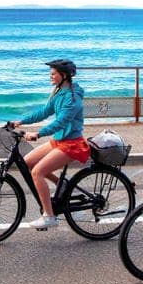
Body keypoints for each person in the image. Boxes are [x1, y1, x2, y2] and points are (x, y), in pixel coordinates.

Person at [12, 59, 89, 230]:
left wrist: (38, 134)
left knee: (37, 172)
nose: (50, 76)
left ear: (64, 76)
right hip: (60, 140)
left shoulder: (72, 98)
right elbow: (44, 112)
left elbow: (61, 122)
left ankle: (49, 216)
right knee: (27, 162)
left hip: (71, 144)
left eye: (53, 74)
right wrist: (20, 122)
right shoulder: (59, 93)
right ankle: (62, 185)